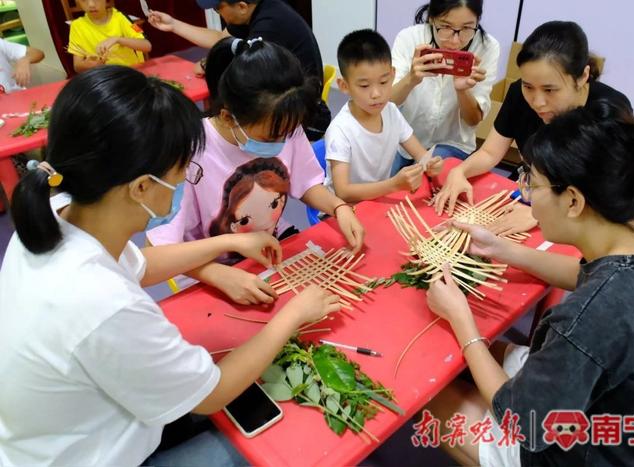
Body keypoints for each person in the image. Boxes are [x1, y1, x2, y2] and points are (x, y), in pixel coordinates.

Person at [0, 65, 339, 465]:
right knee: (276, 447)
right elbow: (214, 392)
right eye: (182, 174)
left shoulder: (56, 210)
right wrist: (294, 314)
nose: (185, 182)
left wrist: (229, 240)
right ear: (141, 187)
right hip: (90, 455)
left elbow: (139, 263)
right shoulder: (103, 305)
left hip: (62, 430)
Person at [424, 101, 634, 466]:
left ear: (572, 200)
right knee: (475, 357)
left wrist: (461, 318)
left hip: (606, 450)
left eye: (532, 183)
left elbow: (521, 419)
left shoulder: (589, 318)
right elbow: (587, 277)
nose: (526, 196)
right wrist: (501, 249)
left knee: (429, 392)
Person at [147, 38, 365, 306]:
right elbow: (157, 253)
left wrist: (338, 206)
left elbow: (305, 182)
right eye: (272, 136)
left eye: (289, 133)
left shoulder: (283, 122)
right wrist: (217, 274)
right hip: (207, 269)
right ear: (228, 117)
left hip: (269, 250)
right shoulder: (188, 153)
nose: (282, 144)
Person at [433, 20, 631, 236]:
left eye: (550, 90)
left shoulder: (609, 111)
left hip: (583, 209)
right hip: (533, 188)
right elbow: (490, 152)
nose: (537, 102)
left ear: (583, 77)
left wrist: (540, 212)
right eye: (529, 86)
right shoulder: (519, 93)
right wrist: (459, 171)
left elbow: (605, 190)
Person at [147, 0, 330, 140]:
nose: (218, 13)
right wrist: (173, 24)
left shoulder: (269, 24)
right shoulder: (256, 8)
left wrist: (206, 63)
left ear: (241, 6)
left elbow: (241, 68)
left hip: (302, 115)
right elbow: (221, 38)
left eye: (219, 8)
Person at [324, 29, 444, 203]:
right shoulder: (340, 130)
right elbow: (343, 192)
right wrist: (393, 184)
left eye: (383, 82)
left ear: (393, 75)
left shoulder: (391, 111)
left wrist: (431, 163)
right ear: (344, 86)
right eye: (364, 86)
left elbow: (420, 154)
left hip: (375, 201)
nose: (376, 93)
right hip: (340, 209)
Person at [390, 0, 500, 168]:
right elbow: (389, 101)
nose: (455, 41)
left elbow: (473, 120)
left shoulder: (487, 47)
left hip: (454, 143)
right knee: (390, 185)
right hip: (407, 139)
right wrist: (410, 79)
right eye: (446, 27)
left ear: (477, 20)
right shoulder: (410, 38)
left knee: (427, 179)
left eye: (466, 28)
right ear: (432, 18)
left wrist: (462, 91)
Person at [67, 0, 152, 73]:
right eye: (84, 0)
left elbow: (147, 45)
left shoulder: (120, 17)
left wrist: (118, 39)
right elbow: (77, 66)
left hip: (129, 72)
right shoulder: (76, 26)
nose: (91, 4)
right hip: (102, 77)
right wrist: (90, 65)